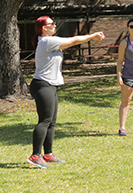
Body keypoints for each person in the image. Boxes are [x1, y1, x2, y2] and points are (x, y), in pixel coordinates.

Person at [27, 16, 105, 168]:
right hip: (43, 84)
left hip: (50, 85)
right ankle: (35, 156)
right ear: (44, 27)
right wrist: (92, 36)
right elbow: (74, 40)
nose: (54, 26)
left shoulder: (49, 41)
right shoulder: (47, 41)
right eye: (51, 24)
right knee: (45, 120)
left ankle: (48, 154)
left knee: (52, 121)